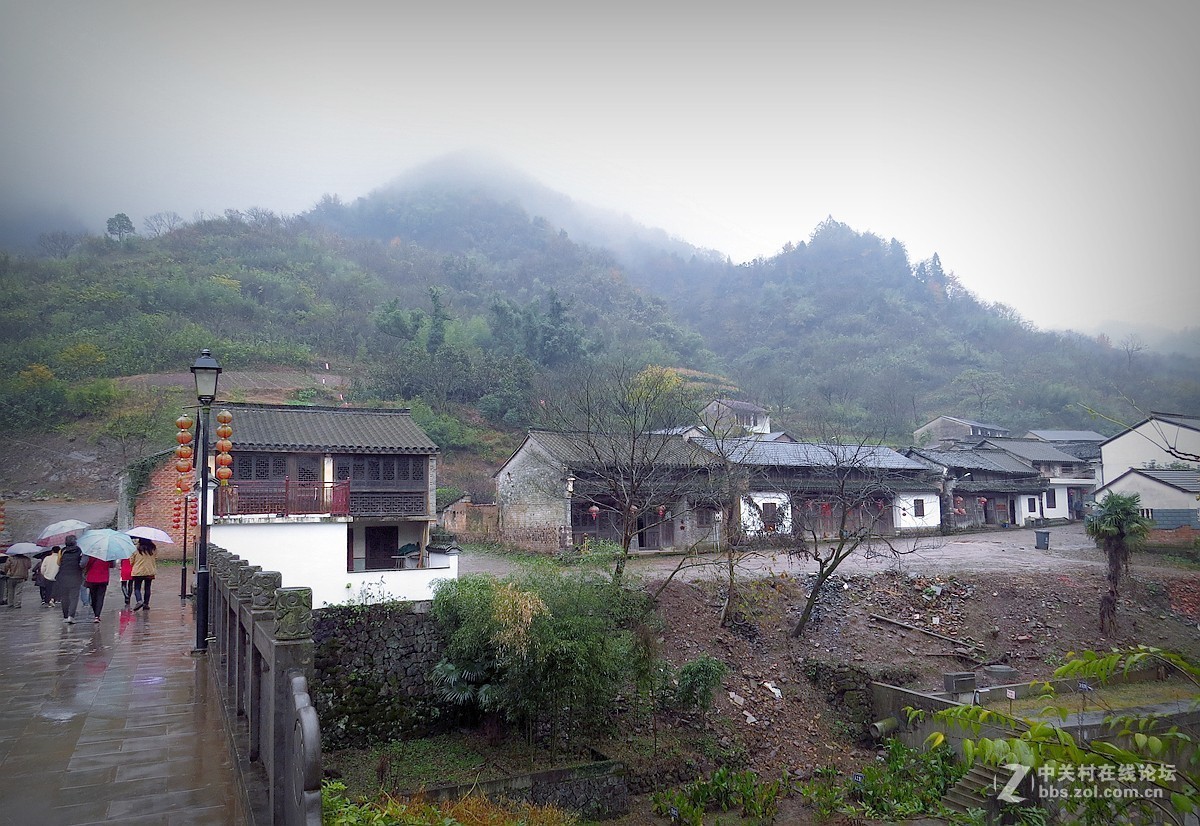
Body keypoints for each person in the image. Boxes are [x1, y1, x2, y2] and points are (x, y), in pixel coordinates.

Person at [55, 536, 85, 623]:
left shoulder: (62, 551)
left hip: (63, 576)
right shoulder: (79, 550)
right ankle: (71, 616)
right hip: (75, 576)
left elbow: (58, 563)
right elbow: (82, 563)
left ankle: (65, 616)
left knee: (64, 597)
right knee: (74, 597)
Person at [82, 550, 114, 623]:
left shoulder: (90, 552)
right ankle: (97, 616)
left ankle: (95, 614)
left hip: (92, 578)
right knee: (100, 597)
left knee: (93, 597)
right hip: (103, 578)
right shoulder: (108, 553)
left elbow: (84, 564)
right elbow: (112, 565)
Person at [130, 538, 157, 611]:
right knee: (147, 588)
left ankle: (139, 601)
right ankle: (146, 604)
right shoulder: (153, 549)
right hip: (149, 571)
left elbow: (131, 561)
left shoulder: (136, 549)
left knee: (137, 588)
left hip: (138, 571)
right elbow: (155, 558)